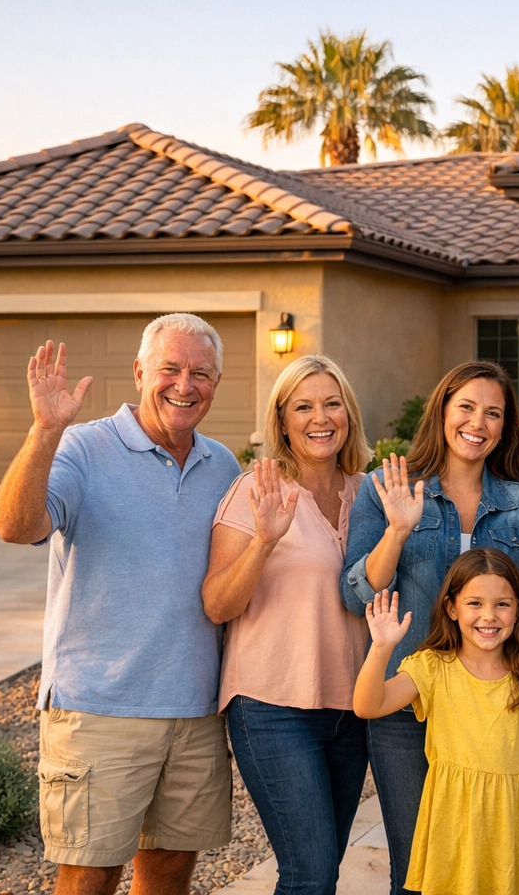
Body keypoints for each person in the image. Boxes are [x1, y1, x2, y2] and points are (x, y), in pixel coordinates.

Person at [0, 313, 239, 895]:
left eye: (201, 373)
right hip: (100, 707)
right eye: (170, 369)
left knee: (171, 868)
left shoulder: (223, 465)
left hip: (195, 711)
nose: (185, 385)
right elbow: (15, 525)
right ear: (138, 373)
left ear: (217, 384)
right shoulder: (82, 447)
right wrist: (43, 432)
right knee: (89, 873)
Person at [341, 360, 519, 894]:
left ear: (506, 427)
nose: (477, 422)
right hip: (408, 697)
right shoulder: (387, 488)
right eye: (466, 407)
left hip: (491, 708)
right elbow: (355, 595)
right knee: (417, 865)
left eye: (493, 413)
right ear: (442, 410)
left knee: (489, 859)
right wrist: (397, 530)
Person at [203, 355, 372, 895]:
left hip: (352, 711)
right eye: (303, 406)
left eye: (331, 403)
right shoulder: (254, 492)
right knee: (310, 872)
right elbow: (217, 604)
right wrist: (264, 542)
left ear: (348, 413)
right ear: (281, 421)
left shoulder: (368, 493)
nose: (319, 418)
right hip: (272, 709)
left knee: (322, 870)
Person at [353, 549, 519, 895]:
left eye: (502, 604)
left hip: (511, 829)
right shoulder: (432, 667)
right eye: (475, 604)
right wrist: (380, 648)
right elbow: (368, 706)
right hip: (452, 828)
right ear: (452, 608)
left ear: (518, 610)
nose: (489, 615)